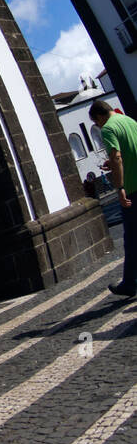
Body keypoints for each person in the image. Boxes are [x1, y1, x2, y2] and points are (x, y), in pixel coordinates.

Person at [94, 98, 137, 297]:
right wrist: (111, 162)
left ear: (99, 117)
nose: (98, 127)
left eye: (97, 123)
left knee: (131, 238)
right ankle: (130, 281)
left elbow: (118, 156)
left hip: (132, 187)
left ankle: (130, 283)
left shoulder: (108, 128)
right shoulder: (129, 121)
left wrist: (119, 187)